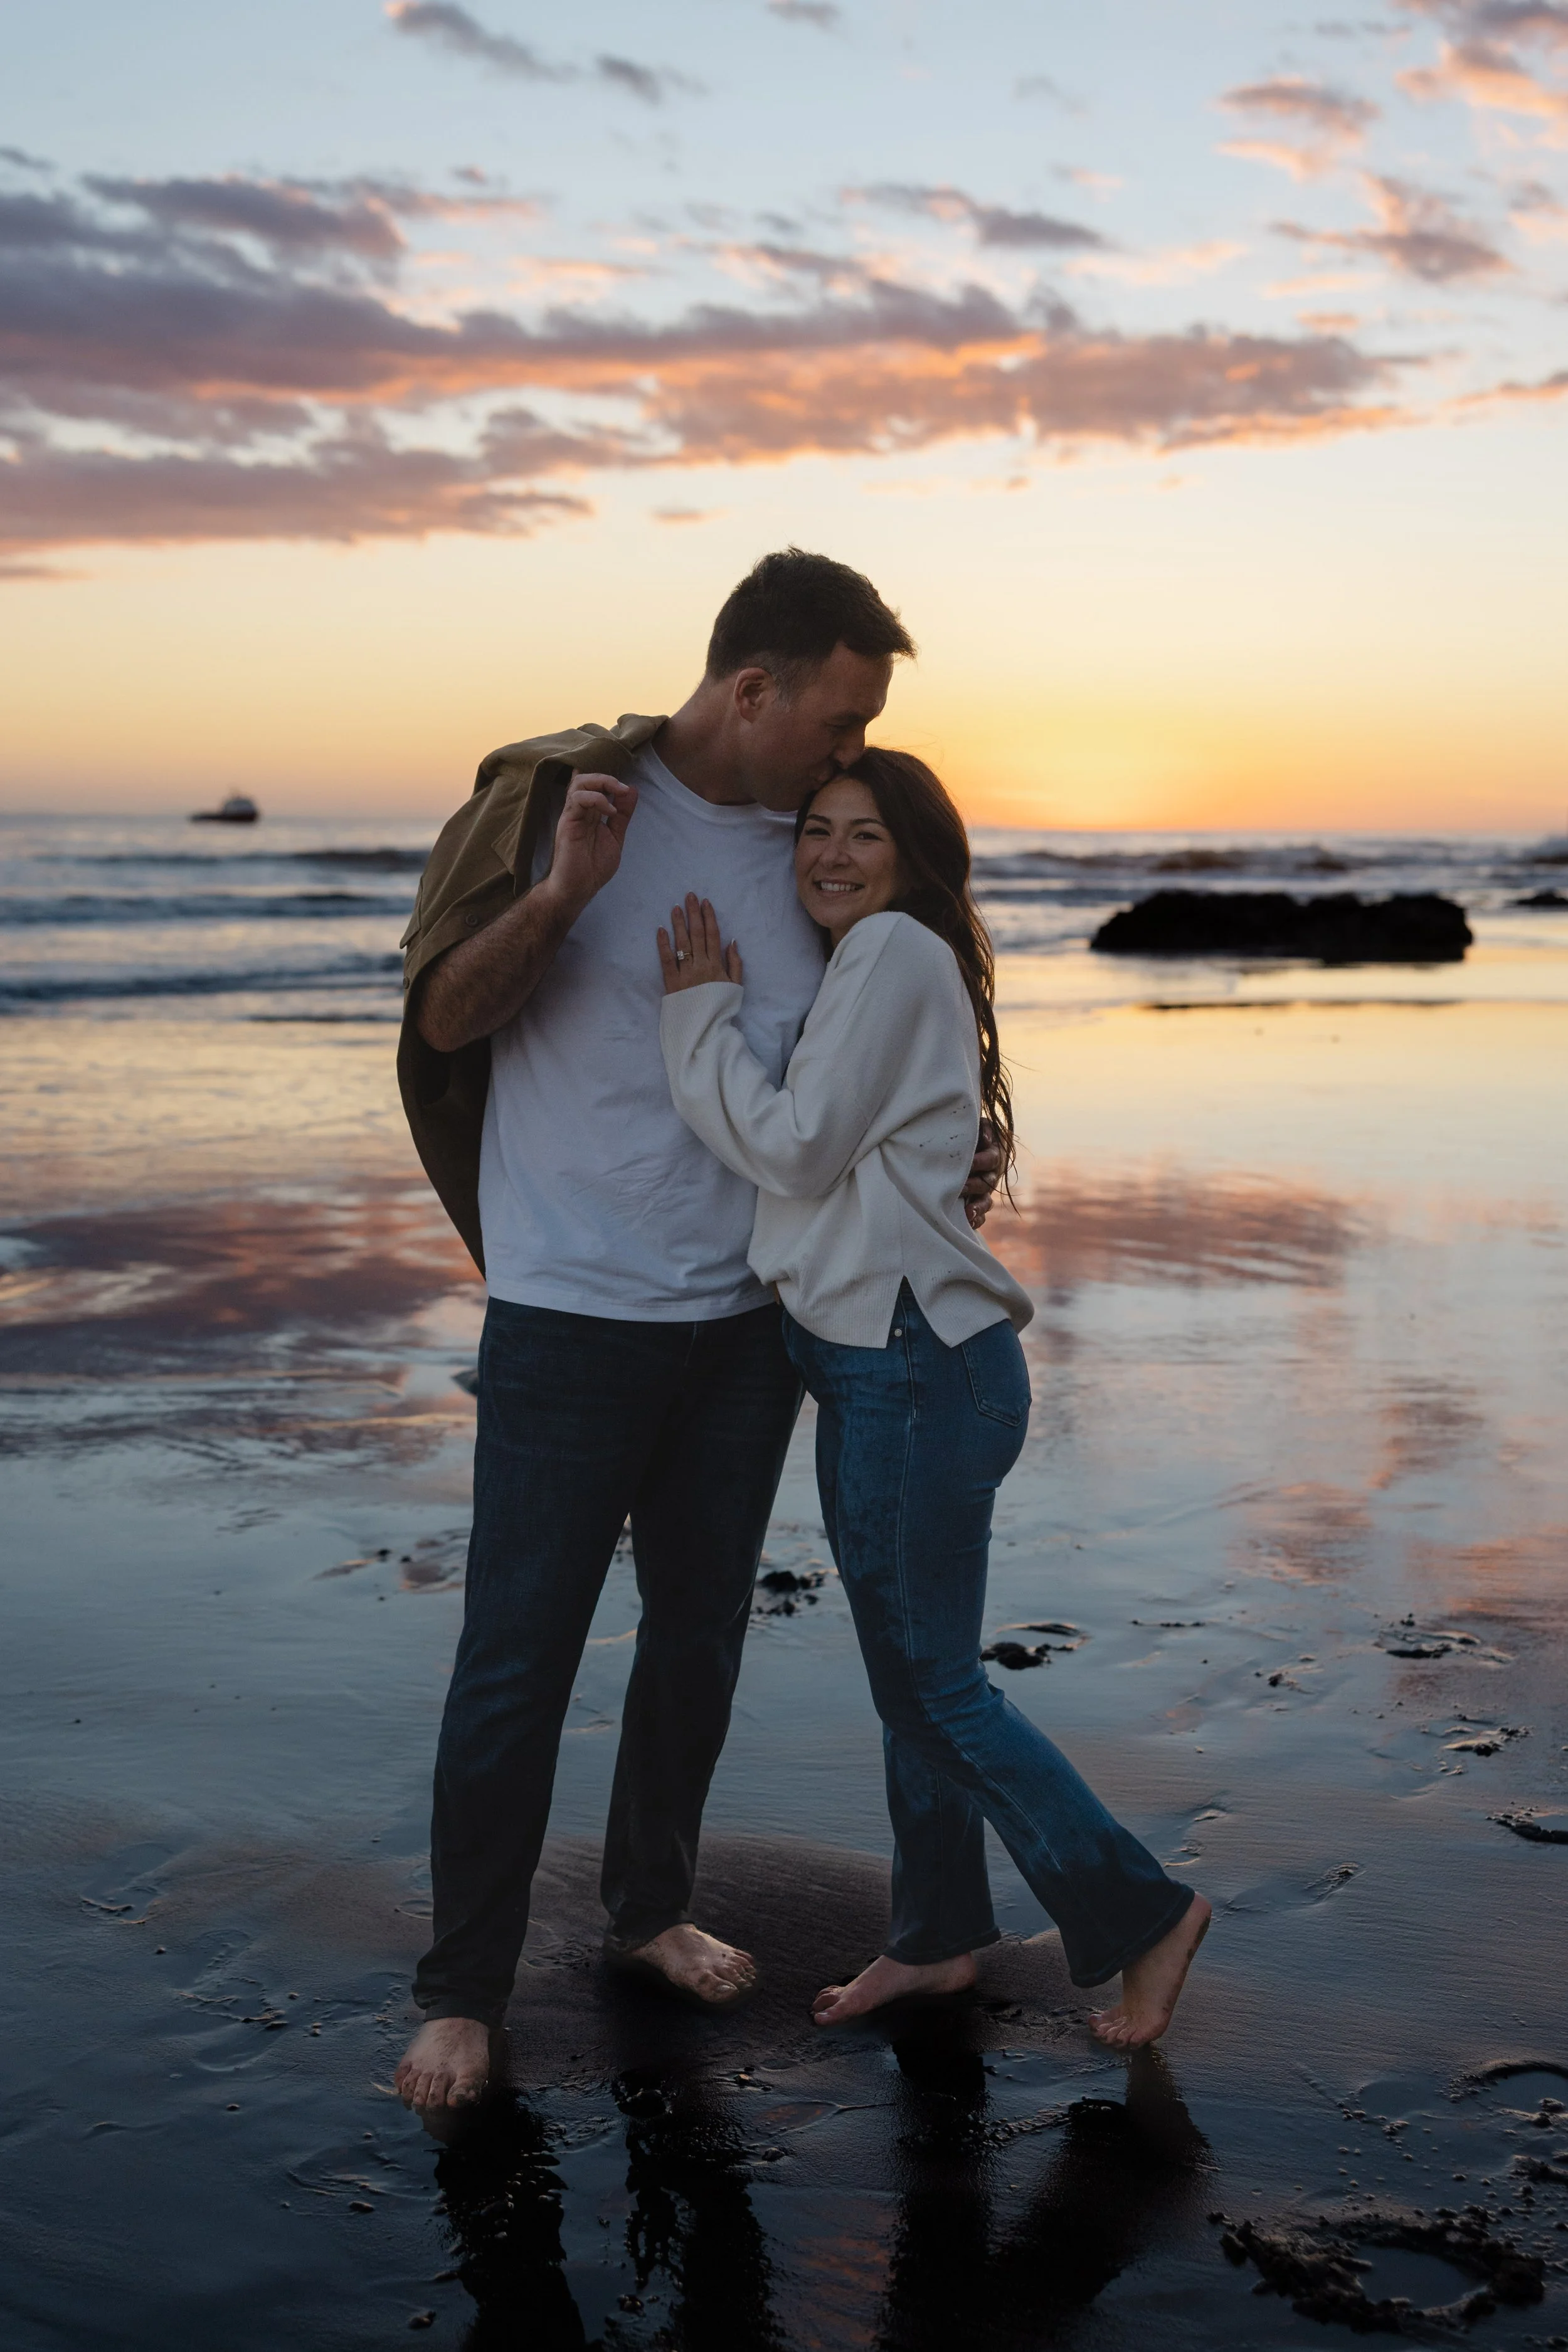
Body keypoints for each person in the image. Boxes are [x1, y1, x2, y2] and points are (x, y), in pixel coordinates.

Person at [392, 553, 1002, 2114]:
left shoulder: (818, 856)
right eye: (840, 715)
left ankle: (647, 1904)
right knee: (514, 1663)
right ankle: (460, 1991)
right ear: (752, 690)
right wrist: (563, 896)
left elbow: (862, 1064)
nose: (850, 751)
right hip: (566, 1317)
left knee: (699, 1636)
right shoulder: (558, 802)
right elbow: (445, 1017)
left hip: (746, 1328)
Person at [657, 750, 1211, 2049]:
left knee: (932, 1690)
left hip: (909, 1366)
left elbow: (792, 1144)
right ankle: (938, 1936)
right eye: (814, 830)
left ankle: (1140, 1914)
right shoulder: (883, 963)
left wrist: (695, 1014)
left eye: (865, 835)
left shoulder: (892, 956)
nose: (831, 854)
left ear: (912, 859)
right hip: (889, 1363)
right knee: (916, 1680)